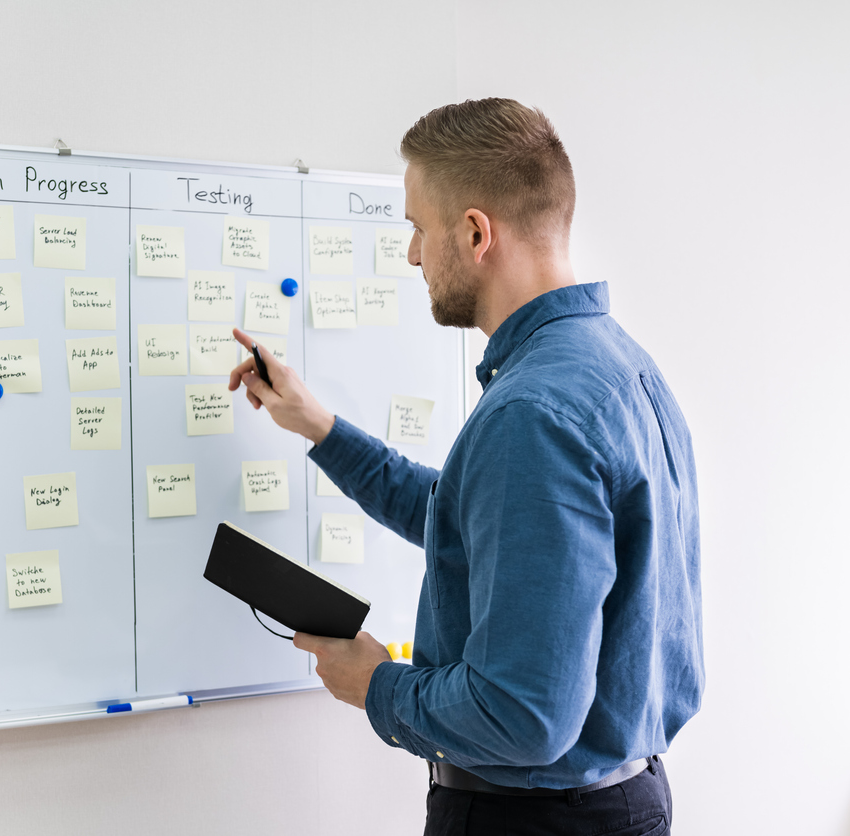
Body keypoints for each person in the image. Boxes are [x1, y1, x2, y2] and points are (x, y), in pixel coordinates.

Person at [228, 98, 702, 835]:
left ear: (476, 232)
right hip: (616, 802)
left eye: (417, 227)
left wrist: (376, 685)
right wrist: (318, 427)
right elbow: (477, 524)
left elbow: (522, 715)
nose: (412, 254)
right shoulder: (617, 366)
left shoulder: (533, 412)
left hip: (532, 821)